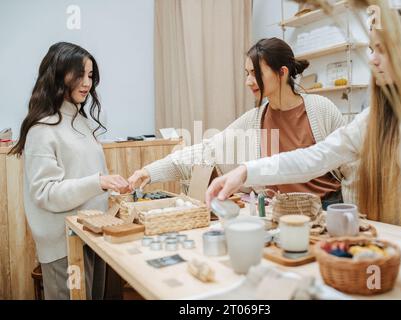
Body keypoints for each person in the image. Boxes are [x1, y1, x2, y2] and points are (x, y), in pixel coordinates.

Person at [205, 11, 401, 228]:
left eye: (384, 50)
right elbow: (315, 157)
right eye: (373, 49)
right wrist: (245, 172)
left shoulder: (320, 107)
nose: (373, 60)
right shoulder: (374, 119)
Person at [129, 37, 353, 208]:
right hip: (282, 215)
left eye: (255, 73)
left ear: (282, 73)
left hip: (327, 210)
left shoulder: (321, 109)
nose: (248, 81)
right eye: (246, 73)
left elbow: (352, 169)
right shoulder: (255, 119)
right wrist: (149, 171)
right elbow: (206, 151)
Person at [9, 42, 130, 299]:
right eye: (79, 74)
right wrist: (99, 182)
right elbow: (46, 193)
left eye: (90, 75)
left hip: (92, 235)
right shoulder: (42, 129)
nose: (86, 83)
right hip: (64, 245)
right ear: (58, 74)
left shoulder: (81, 121)